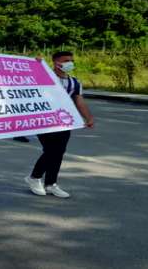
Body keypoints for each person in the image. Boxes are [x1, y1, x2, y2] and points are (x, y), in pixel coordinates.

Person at [24, 51, 95, 199]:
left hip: (64, 121)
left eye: (71, 60)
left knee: (59, 152)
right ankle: (34, 177)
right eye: (66, 60)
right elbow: (27, 81)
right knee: (51, 150)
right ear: (56, 62)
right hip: (44, 121)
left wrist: (88, 117)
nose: (70, 63)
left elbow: (79, 101)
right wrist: (36, 66)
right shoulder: (45, 77)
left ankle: (51, 184)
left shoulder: (74, 82)